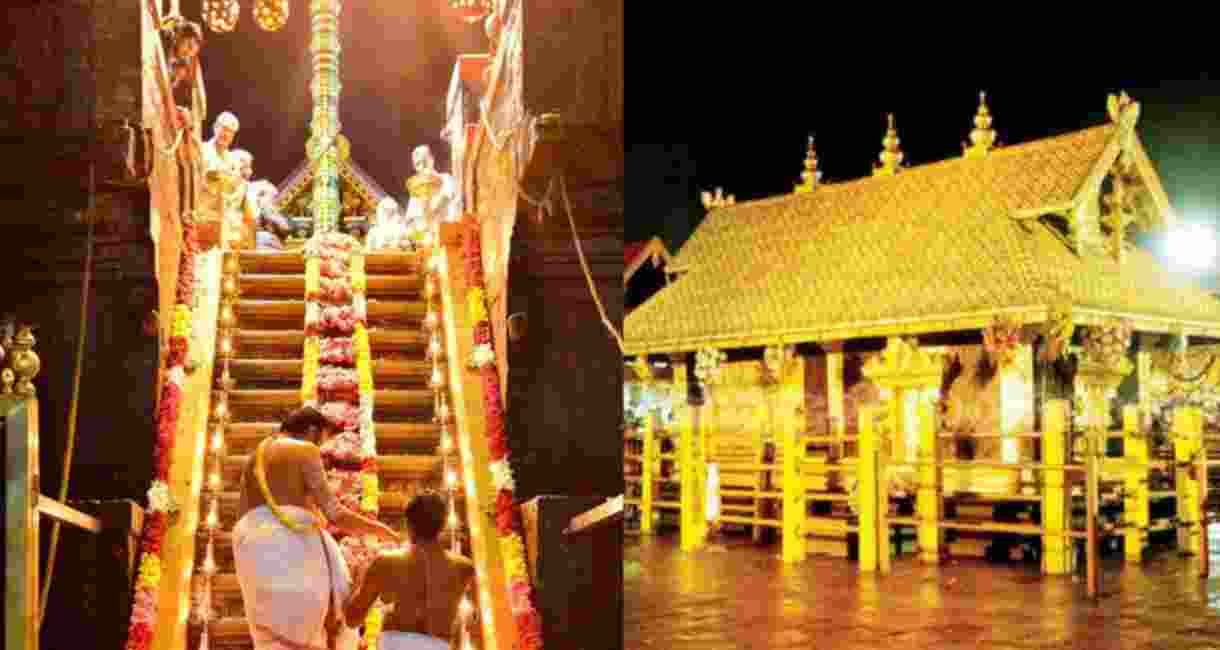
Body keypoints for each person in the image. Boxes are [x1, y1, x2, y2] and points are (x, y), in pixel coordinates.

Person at [233, 407, 401, 650]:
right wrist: (379, 530)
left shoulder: (255, 456)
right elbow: (336, 514)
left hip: (252, 553)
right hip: (292, 547)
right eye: (322, 442)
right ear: (312, 431)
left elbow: (244, 515)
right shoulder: (304, 449)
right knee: (336, 615)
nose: (319, 450)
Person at [344, 492, 476, 650]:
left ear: (408, 524)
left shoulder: (386, 562)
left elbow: (352, 619)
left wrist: (358, 575)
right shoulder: (465, 568)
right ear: (443, 525)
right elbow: (472, 625)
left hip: (395, 644)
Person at [250, 180, 295, 250]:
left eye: (262, 195)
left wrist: (271, 216)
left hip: (275, 249)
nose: (258, 199)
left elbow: (287, 228)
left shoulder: (278, 213)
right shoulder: (258, 215)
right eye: (259, 195)